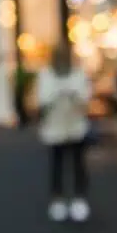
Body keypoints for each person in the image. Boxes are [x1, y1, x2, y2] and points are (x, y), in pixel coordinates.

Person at [36, 61, 93, 223]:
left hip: (76, 127)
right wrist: (58, 94)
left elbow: (85, 98)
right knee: (57, 165)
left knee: (78, 165)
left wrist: (73, 95)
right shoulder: (46, 75)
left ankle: (79, 199)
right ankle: (58, 200)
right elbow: (42, 100)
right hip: (55, 128)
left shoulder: (79, 74)